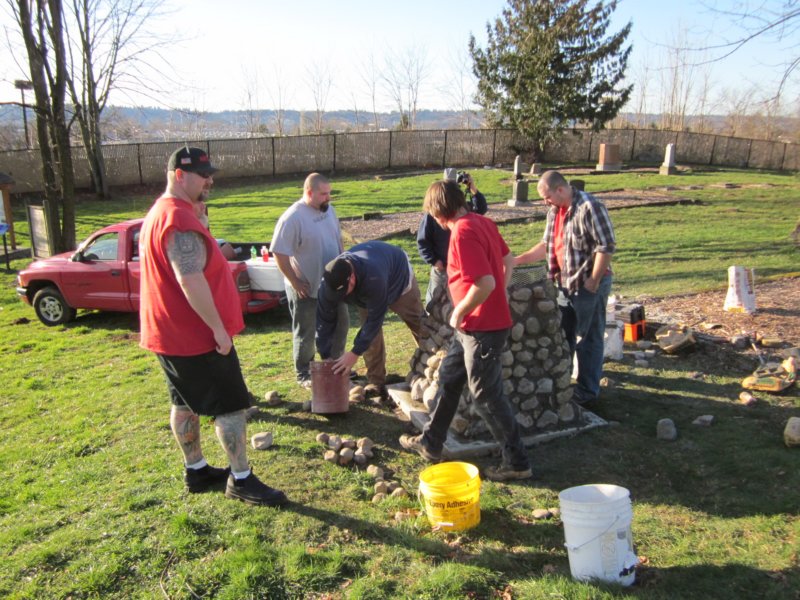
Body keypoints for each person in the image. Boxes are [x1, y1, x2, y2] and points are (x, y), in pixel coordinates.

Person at [139, 146, 288, 507]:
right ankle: (241, 479)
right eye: (203, 175)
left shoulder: (164, 213)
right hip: (196, 337)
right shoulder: (176, 219)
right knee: (231, 408)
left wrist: (203, 224)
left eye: (211, 174)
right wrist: (218, 329)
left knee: (184, 403)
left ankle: (197, 469)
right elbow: (189, 279)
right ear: (178, 176)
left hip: (169, 333)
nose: (210, 180)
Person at [400, 180, 532, 481]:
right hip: (473, 328)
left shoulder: (462, 233)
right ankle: (431, 443)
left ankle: (517, 462)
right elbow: (507, 262)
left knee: (486, 394)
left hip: (482, 327)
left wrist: (460, 310)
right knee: (450, 378)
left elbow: (485, 282)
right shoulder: (482, 222)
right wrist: (499, 292)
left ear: (437, 211)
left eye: (430, 214)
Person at [514, 170, 616, 405]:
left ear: (560, 189)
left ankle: (588, 391)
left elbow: (606, 246)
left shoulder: (590, 207)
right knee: (564, 336)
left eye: (547, 196)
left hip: (588, 285)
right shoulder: (554, 211)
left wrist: (594, 280)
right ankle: (561, 384)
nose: (545, 202)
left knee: (588, 339)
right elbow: (546, 245)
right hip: (564, 285)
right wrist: (518, 260)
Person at [316, 241, 426, 399]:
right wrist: (325, 355)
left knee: (418, 323)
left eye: (343, 293)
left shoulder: (374, 277)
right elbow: (323, 322)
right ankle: (376, 382)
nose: (340, 298)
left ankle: (434, 367)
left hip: (399, 278)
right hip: (366, 294)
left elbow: (375, 320)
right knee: (370, 337)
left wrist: (354, 354)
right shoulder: (328, 284)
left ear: (352, 278)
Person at [270, 173, 349, 388]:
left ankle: (334, 365)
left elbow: (337, 239)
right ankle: (304, 373)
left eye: (329, 193)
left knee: (342, 322)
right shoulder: (293, 218)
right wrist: (294, 281)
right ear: (309, 192)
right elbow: (279, 252)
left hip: (332, 283)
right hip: (305, 286)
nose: (328, 197)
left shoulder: (328, 210)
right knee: (306, 331)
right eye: (324, 194)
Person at [417, 169, 488, 309]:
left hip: (462, 267)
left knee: (460, 302)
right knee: (435, 305)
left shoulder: (462, 210)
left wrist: (472, 188)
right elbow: (422, 241)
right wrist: (434, 261)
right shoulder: (432, 214)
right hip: (442, 267)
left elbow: (481, 209)